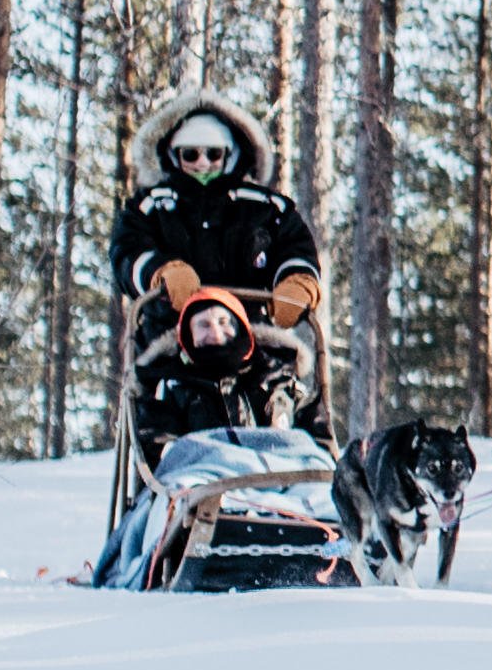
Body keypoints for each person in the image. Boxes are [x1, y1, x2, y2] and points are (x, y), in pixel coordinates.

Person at [108, 85, 328, 458]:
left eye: (213, 154)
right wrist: (162, 272)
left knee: (280, 392)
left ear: (231, 154)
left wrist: (296, 283)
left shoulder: (264, 206)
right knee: (167, 405)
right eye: (190, 154)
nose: (202, 163)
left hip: (254, 336)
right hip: (174, 340)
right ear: (173, 155)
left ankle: (302, 470)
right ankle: (174, 475)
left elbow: (292, 245)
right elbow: (128, 252)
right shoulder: (150, 206)